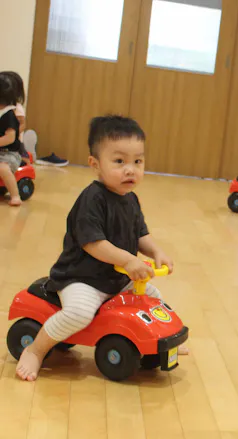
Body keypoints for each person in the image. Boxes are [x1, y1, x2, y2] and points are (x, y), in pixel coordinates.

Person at [15, 115, 180, 381]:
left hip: (116, 278)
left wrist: (156, 252)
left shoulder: (131, 199)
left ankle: (159, 342)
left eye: (138, 161)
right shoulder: (92, 199)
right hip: (83, 278)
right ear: (95, 164)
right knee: (78, 313)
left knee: (153, 297)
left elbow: (140, 234)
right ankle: (36, 350)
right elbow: (93, 243)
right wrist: (128, 261)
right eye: (119, 161)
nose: (130, 169)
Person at [0, 72, 28, 206]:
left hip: (9, 154)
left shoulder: (9, 115)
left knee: (2, 168)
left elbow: (10, 138)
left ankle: (15, 195)